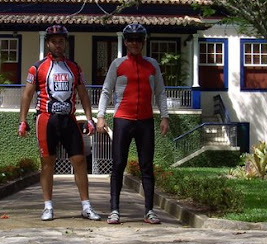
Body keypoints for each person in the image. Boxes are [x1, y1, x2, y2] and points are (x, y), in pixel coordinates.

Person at [18, 25, 101, 222]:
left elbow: (83, 94)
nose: (58, 44)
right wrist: (22, 120)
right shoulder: (37, 67)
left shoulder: (74, 67)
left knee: (80, 161)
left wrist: (89, 118)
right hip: (46, 119)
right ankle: (48, 207)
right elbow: (27, 94)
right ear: (48, 43)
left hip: (69, 119)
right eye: (54, 41)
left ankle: (86, 206)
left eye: (61, 41)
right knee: (48, 163)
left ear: (66, 43)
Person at [97, 23, 170, 225]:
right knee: (118, 164)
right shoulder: (118, 64)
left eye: (139, 39)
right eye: (131, 39)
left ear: (143, 42)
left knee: (147, 166)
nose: (135, 43)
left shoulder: (152, 64)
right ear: (126, 42)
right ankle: (114, 210)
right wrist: (100, 117)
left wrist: (165, 116)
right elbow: (105, 91)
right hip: (123, 120)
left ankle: (149, 211)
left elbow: (161, 93)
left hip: (145, 121)